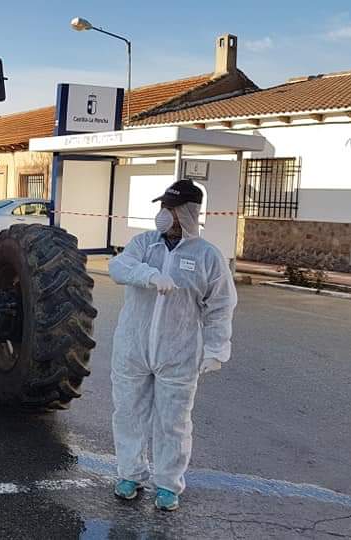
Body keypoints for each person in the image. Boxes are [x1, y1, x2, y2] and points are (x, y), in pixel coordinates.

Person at [107, 180, 237, 511]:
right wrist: (148, 275)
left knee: (173, 420)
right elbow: (118, 267)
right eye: (163, 208)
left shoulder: (208, 257)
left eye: (171, 209)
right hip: (134, 347)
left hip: (178, 352)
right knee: (128, 413)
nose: (164, 215)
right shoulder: (143, 244)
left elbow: (220, 306)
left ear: (188, 213)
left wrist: (215, 350)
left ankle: (168, 484)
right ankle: (130, 474)